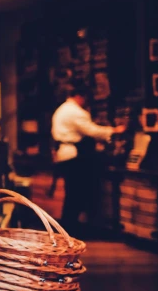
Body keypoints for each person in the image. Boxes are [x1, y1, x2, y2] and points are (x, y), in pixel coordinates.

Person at [52, 85, 125, 234]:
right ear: (80, 96)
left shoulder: (62, 109)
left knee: (72, 192)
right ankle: (70, 228)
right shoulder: (75, 112)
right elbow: (92, 130)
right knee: (75, 193)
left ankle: (68, 227)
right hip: (72, 155)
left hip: (64, 154)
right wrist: (113, 130)